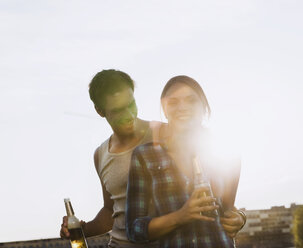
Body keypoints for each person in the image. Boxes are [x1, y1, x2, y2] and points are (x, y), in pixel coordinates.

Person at [60, 70, 245, 247]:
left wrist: (239, 218)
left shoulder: (167, 132)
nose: (129, 115)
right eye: (117, 110)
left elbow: (222, 202)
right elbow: (112, 211)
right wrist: (83, 229)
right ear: (100, 111)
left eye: (131, 104)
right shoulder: (104, 154)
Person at [125, 75, 244, 248]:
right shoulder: (145, 155)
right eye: (172, 102)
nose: (182, 107)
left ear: (204, 107)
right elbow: (134, 230)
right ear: (164, 110)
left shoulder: (227, 152)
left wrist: (239, 218)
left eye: (191, 100)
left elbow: (228, 209)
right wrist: (181, 216)